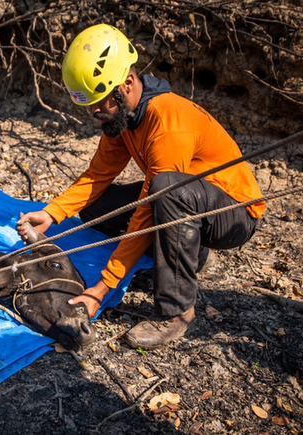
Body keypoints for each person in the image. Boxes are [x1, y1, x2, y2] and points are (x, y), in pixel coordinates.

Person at [16, 24, 266, 349]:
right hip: (185, 199)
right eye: (88, 105)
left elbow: (150, 208)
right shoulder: (123, 118)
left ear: (127, 83)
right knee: (95, 204)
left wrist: (102, 287)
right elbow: (97, 176)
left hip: (233, 214)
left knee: (164, 189)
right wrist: (53, 213)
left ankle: (176, 314)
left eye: (100, 102)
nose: (95, 113)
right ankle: (190, 251)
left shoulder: (167, 122)